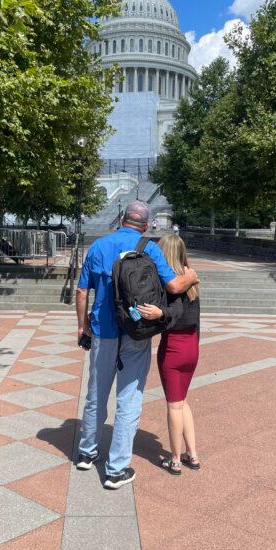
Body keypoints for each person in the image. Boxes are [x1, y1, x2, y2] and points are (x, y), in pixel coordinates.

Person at [75, 201, 199, 490]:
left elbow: (82, 290)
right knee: (129, 398)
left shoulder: (99, 246)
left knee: (96, 392)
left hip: (103, 330)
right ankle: (116, 469)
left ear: (121, 219)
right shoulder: (149, 248)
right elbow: (173, 287)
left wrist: (82, 327)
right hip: (136, 330)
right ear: (146, 224)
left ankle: (86, 452)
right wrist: (190, 277)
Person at [138, 234, 200, 475]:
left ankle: (175, 459)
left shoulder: (168, 282)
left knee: (173, 405)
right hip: (192, 345)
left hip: (173, 347)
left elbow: (169, 311)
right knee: (183, 401)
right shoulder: (192, 278)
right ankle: (192, 454)